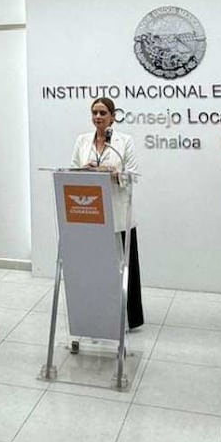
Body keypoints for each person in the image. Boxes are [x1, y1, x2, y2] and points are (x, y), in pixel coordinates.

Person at [70, 97, 144, 330]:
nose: (98, 117)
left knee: (124, 267)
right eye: (94, 113)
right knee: (96, 267)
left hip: (119, 212)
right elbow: (72, 171)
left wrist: (116, 172)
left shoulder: (124, 142)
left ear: (113, 116)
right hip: (91, 214)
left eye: (103, 113)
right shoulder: (82, 141)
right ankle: (99, 310)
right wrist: (85, 170)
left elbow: (134, 174)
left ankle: (129, 317)